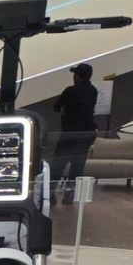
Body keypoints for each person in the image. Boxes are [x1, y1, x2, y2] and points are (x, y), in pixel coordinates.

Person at [51, 63, 98, 204]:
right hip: (86, 134)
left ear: (77, 76)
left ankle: (51, 193)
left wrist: (65, 110)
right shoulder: (93, 91)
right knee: (77, 166)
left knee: (58, 164)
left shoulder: (70, 91)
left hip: (69, 133)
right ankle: (69, 196)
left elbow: (56, 106)